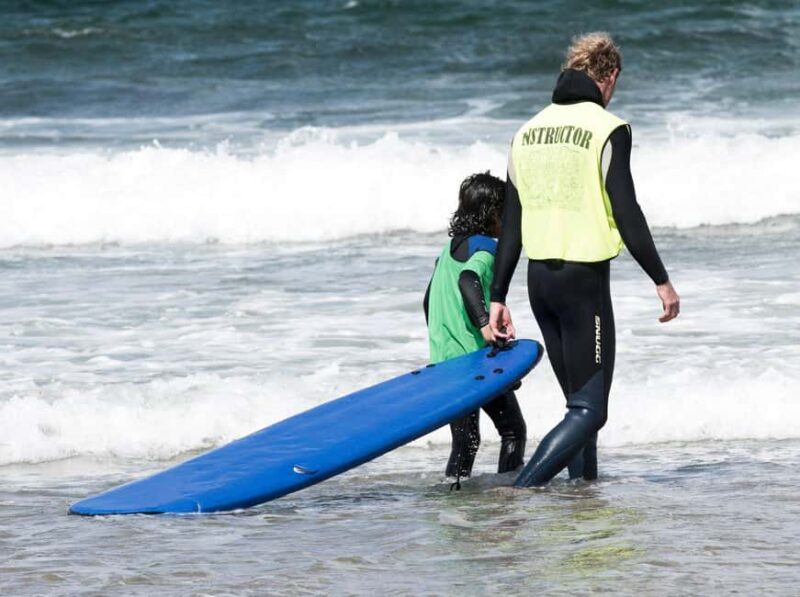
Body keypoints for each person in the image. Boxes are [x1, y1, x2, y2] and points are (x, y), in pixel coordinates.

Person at [488, 33, 680, 487]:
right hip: (582, 284)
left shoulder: (526, 132)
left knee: (578, 406)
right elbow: (626, 209)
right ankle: (522, 490)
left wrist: (498, 295)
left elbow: (512, 223)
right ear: (609, 76)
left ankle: (582, 498)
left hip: (539, 282)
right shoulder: (607, 128)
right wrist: (660, 279)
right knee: (590, 411)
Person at [424, 172, 527, 481]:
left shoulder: (447, 251)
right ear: (494, 213)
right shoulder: (485, 248)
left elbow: (428, 301)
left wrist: (445, 341)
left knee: (466, 442)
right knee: (513, 431)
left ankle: (453, 495)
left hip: (447, 363)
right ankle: (508, 491)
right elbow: (468, 279)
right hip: (475, 364)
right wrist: (483, 324)